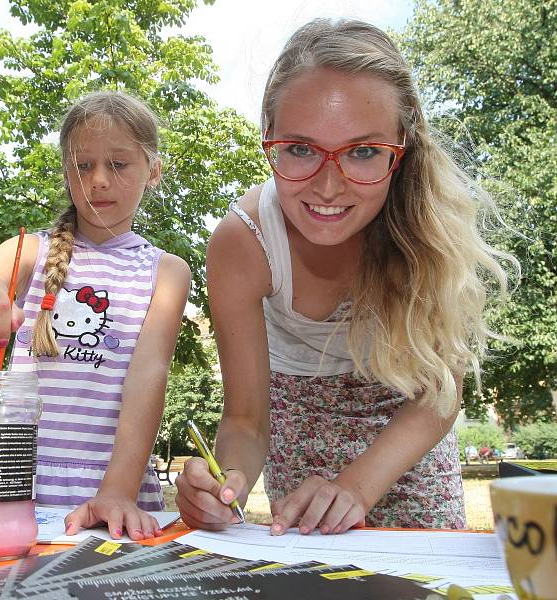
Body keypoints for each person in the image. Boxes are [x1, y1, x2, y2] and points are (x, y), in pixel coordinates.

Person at [176, 18, 516, 535]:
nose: (329, 187)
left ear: (401, 149)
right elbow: (245, 418)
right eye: (300, 149)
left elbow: (438, 391)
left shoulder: (429, 233)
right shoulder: (243, 243)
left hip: (407, 447)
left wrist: (357, 487)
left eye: (362, 152)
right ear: (268, 139)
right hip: (299, 445)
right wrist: (229, 484)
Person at [0, 91, 190, 541]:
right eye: (83, 166)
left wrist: (118, 492)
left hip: (115, 486)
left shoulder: (166, 271)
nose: (98, 180)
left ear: (153, 170)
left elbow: (149, 376)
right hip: (15, 482)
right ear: (67, 173)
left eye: (118, 164)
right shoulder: (28, 251)